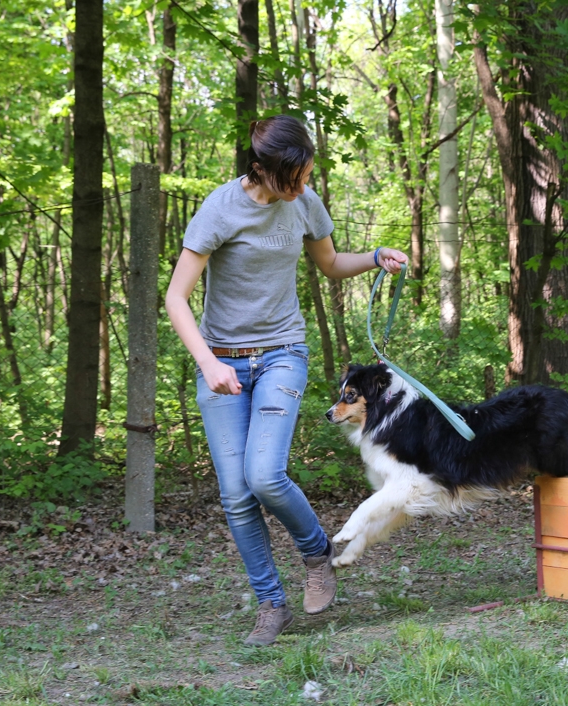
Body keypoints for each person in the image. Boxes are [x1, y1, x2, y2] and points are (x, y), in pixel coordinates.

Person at [165, 114, 407, 646]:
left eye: (306, 176)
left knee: (265, 476)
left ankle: (317, 552)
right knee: (236, 494)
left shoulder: (304, 202)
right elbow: (175, 298)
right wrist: (208, 363)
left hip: (282, 354)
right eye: (291, 178)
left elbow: (330, 263)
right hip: (221, 362)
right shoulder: (219, 209)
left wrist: (375, 257)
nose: (300, 187)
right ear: (260, 169)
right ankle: (271, 605)